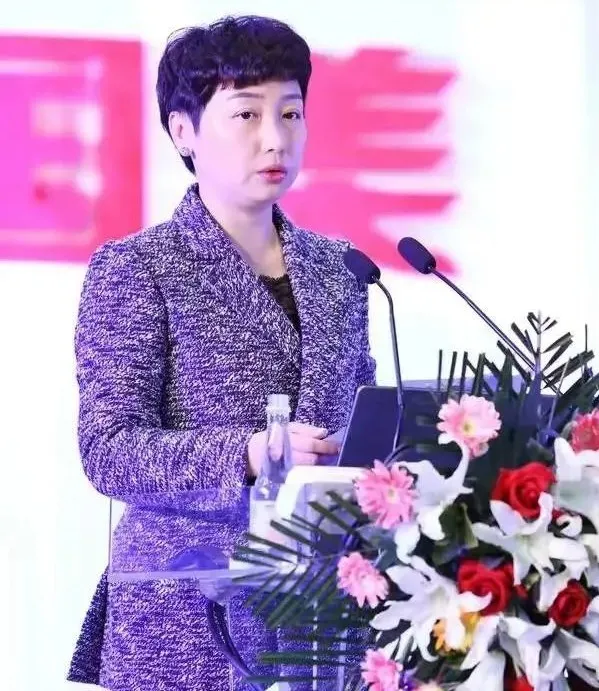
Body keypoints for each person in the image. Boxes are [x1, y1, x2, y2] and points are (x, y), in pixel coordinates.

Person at [67, 14, 375, 690]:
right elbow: (109, 449)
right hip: (186, 624)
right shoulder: (138, 269)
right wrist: (249, 453)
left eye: (291, 113)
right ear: (183, 130)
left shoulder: (340, 270)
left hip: (326, 621)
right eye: (246, 115)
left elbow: (359, 431)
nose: (276, 138)